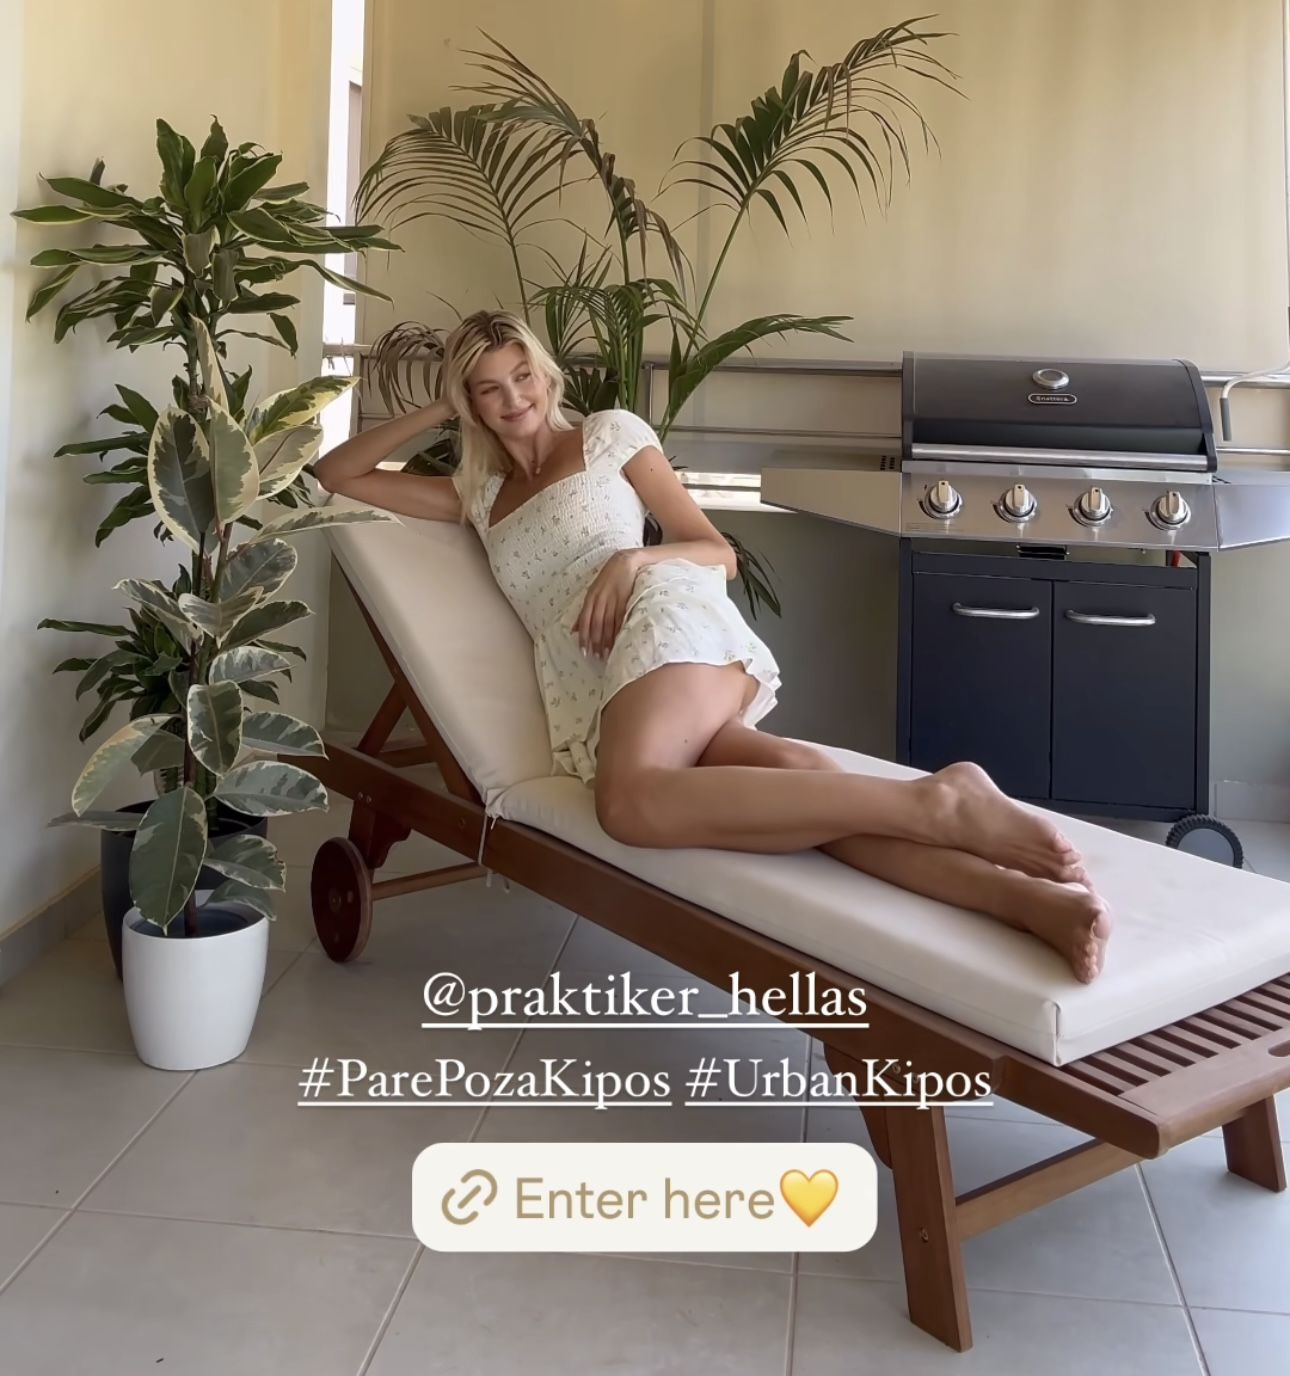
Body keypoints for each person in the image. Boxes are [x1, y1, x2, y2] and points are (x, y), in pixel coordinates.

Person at [314, 309, 1112, 982]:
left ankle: (936, 802)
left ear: (545, 374)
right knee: (807, 793)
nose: (514, 397)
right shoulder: (478, 495)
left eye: (522, 375)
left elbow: (716, 551)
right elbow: (336, 472)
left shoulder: (608, 435)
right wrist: (438, 407)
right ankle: (1034, 903)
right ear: (473, 403)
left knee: (628, 804)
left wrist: (632, 562)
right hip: (601, 687)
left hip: (663, 620)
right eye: (489, 387)